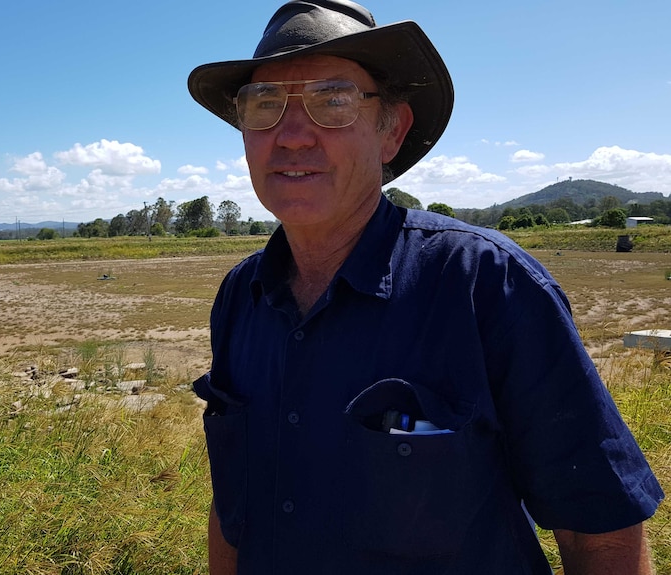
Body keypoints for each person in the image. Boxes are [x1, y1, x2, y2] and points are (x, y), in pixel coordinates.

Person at [188, 1, 664, 573]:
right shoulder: (243, 296)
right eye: (264, 104)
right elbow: (232, 512)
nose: (291, 135)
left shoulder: (487, 283)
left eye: (332, 102)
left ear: (393, 130)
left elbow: (602, 532)